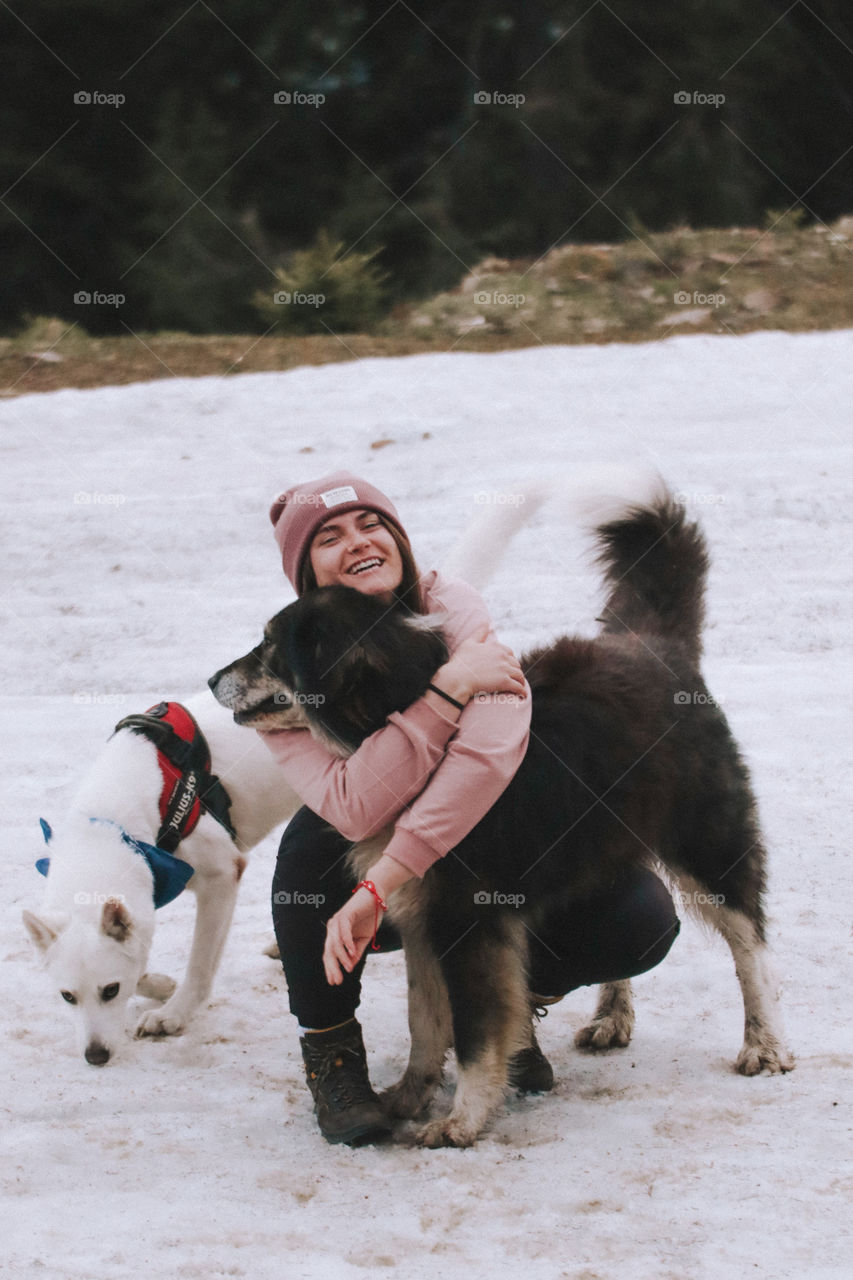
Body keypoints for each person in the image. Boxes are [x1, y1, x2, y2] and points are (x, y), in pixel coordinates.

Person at [260, 472, 679, 1145]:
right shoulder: (281, 664)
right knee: (312, 849)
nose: (358, 541)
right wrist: (448, 690)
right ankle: (330, 1050)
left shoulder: (452, 607)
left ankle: (505, 1010)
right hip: (364, 861)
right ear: (307, 574)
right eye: (329, 537)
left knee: (638, 914)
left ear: (397, 536)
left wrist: (387, 876)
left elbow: (486, 758)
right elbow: (355, 806)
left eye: (370, 523)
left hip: (453, 845)